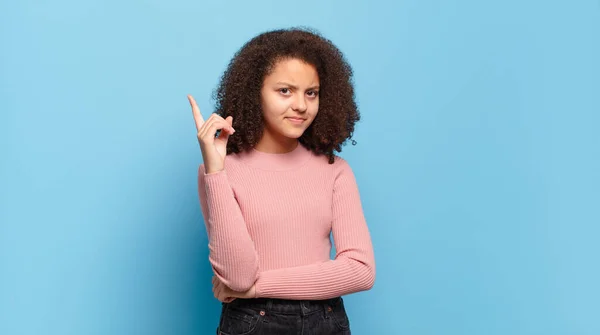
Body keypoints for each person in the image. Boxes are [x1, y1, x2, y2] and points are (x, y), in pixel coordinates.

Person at [188, 27, 375, 335]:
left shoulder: (334, 170)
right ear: (254, 93)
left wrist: (259, 286)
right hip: (252, 322)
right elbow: (237, 277)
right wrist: (216, 168)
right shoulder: (219, 173)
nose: (301, 105)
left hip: (325, 321)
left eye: (310, 92)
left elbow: (361, 271)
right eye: (285, 91)